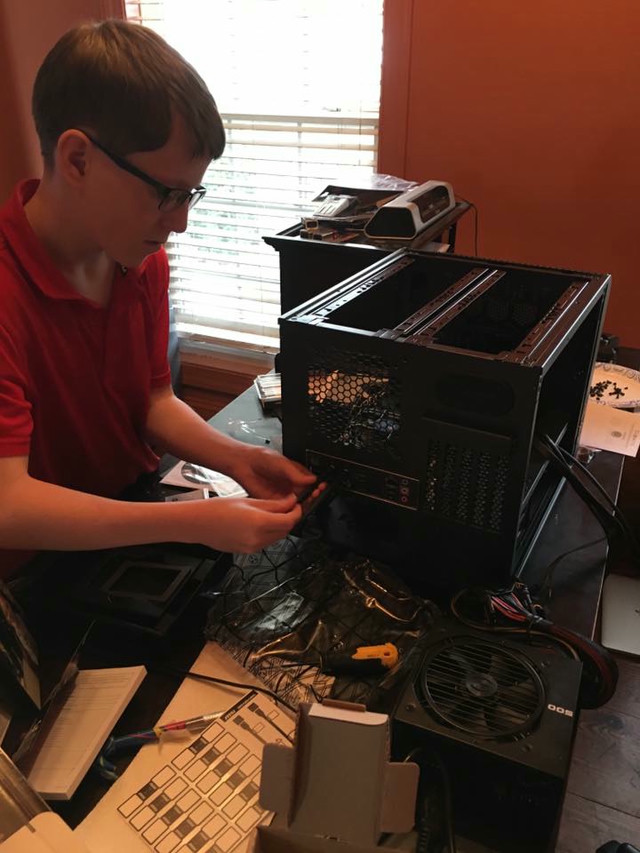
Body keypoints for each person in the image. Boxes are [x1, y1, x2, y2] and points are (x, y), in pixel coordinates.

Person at [0, 19, 318, 577]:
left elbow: (152, 402)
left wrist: (241, 460)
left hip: (131, 516)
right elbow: (8, 506)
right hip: (38, 572)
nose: (183, 223)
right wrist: (193, 522)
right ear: (77, 160)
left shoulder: (140, 261)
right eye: (167, 194)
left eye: (192, 193)